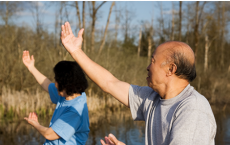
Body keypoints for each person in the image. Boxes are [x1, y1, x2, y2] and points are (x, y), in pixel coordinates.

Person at [60, 22, 217, 145]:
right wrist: (75, 51)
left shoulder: (192, 109)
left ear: (171, 69)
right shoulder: (152, 98)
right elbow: (109, 83)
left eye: (153, 61)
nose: (148, 67)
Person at [22, 51, 90, 145]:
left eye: (56, 80)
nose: (55, 83)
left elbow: (49, 134)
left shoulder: (75, 111)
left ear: (66, 84)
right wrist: (31, 67)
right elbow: (46, 84)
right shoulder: (69, 94)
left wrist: (35, 124)